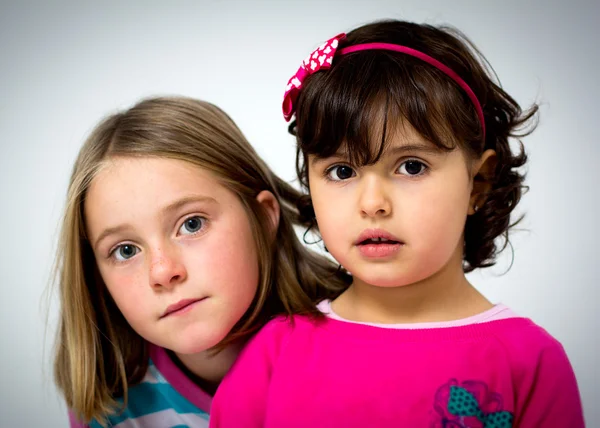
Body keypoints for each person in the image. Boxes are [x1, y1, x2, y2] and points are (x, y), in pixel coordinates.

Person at [211, 20, 585, 427]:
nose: (372, 204)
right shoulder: (275, 351)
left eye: (411, 166)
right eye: (340, 171)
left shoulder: (529, 361)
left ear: (478, 183)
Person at [52, 96, 349, 427]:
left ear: (263, 218)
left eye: (191, 224)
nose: (163, 272)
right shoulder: (112, 408)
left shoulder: (362, 343)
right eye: (126, 250)